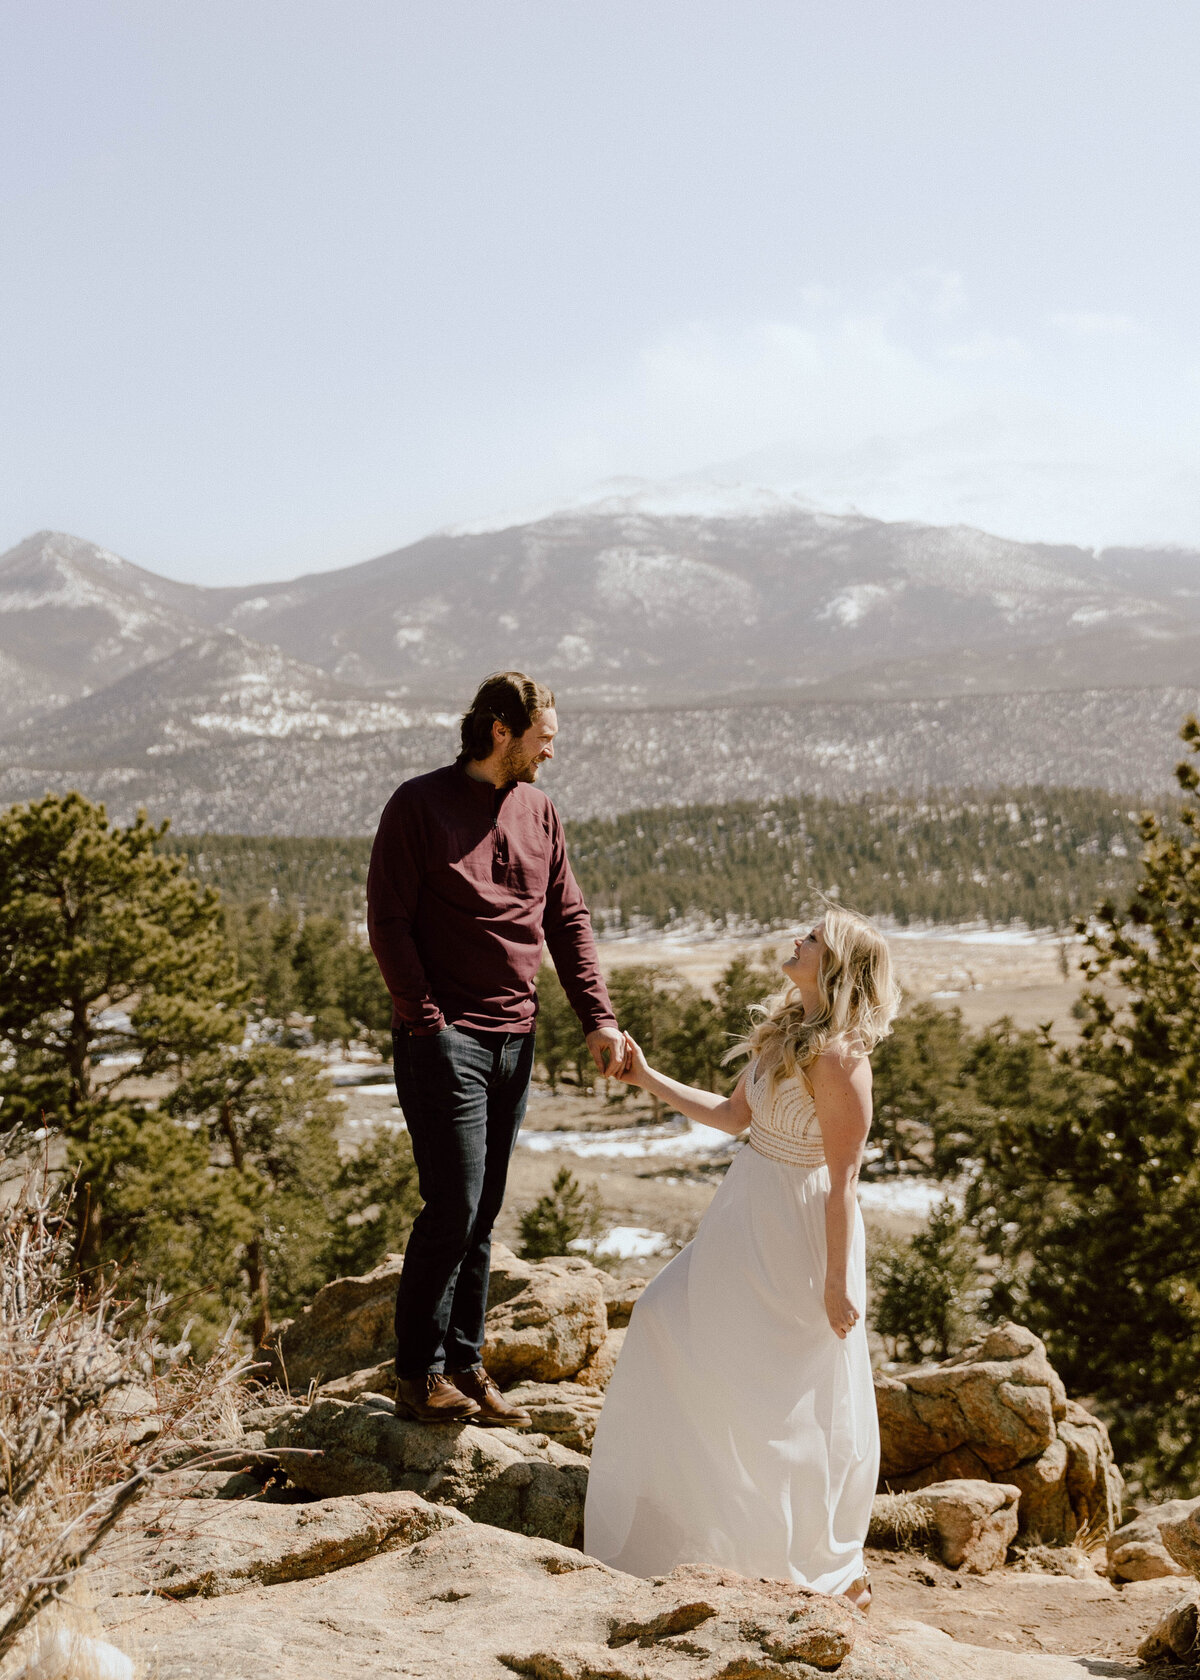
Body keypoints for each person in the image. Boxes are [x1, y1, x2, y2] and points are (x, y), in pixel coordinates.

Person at [583, 906, 900, 1609]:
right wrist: (648, 1079)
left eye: (812, 939)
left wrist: (839, 1283)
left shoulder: (845, 1060)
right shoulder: (789, 1032)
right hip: (741, 1217)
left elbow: (843, 1183)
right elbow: (733, 1118)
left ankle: (808, 1559)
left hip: (798, 1233)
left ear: (837, 965)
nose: (797, 940)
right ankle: (706, 1528)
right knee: (666, 1318)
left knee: (781, 1397)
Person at [366, 671, 627, 1427]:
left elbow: (567, 919)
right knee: (452, 1204)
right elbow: (389, 921)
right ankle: (417, 1375)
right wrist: (426, 1021)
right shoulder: (419, 805)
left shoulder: (540, 810)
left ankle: (466, 1364)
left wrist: (596, 1018)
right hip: (446, 1040)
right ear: (502, 731)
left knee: (483, 1212)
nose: (552, 754)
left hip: (518, 1038)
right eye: (545, 738)